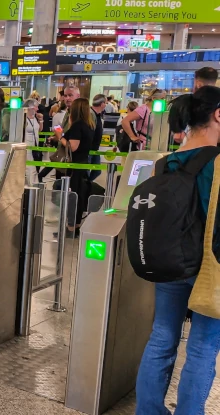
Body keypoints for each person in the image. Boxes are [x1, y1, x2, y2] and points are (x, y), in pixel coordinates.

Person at [134, 86, 220, 415]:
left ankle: (149, 411)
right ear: (217, 114)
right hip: (209, 268)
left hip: (171, 264)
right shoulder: (217, 163)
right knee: (202, 347)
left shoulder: (164, 163)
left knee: (162, 337)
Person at [55, 98, 96, 234]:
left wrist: (60, 136)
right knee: (79, 194)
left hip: (75, 166)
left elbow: (72, 147)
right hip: (83, 164)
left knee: (73, 196)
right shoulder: (89, 125)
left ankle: (71, 227)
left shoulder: (77, 126)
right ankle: (76, 225)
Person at [22, 98, 42, 184]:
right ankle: (29, 186)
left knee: (34, 169)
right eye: (36, 107)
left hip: (35, 147)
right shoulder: (23, 118)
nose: (37, 109)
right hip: (27, 147)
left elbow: (39, 130)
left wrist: (41, 120)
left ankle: (34, 185)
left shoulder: (35, 118)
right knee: (28, 169)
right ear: (30, 107)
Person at [89, 94, 107, 181]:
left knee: (97, 170)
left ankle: (87, 185)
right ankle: (84, 188)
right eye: (105, 103)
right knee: (86, 171)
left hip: (95, 149)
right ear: (102, 104)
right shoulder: (91, 114)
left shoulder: (98, 114)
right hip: (89, 148)